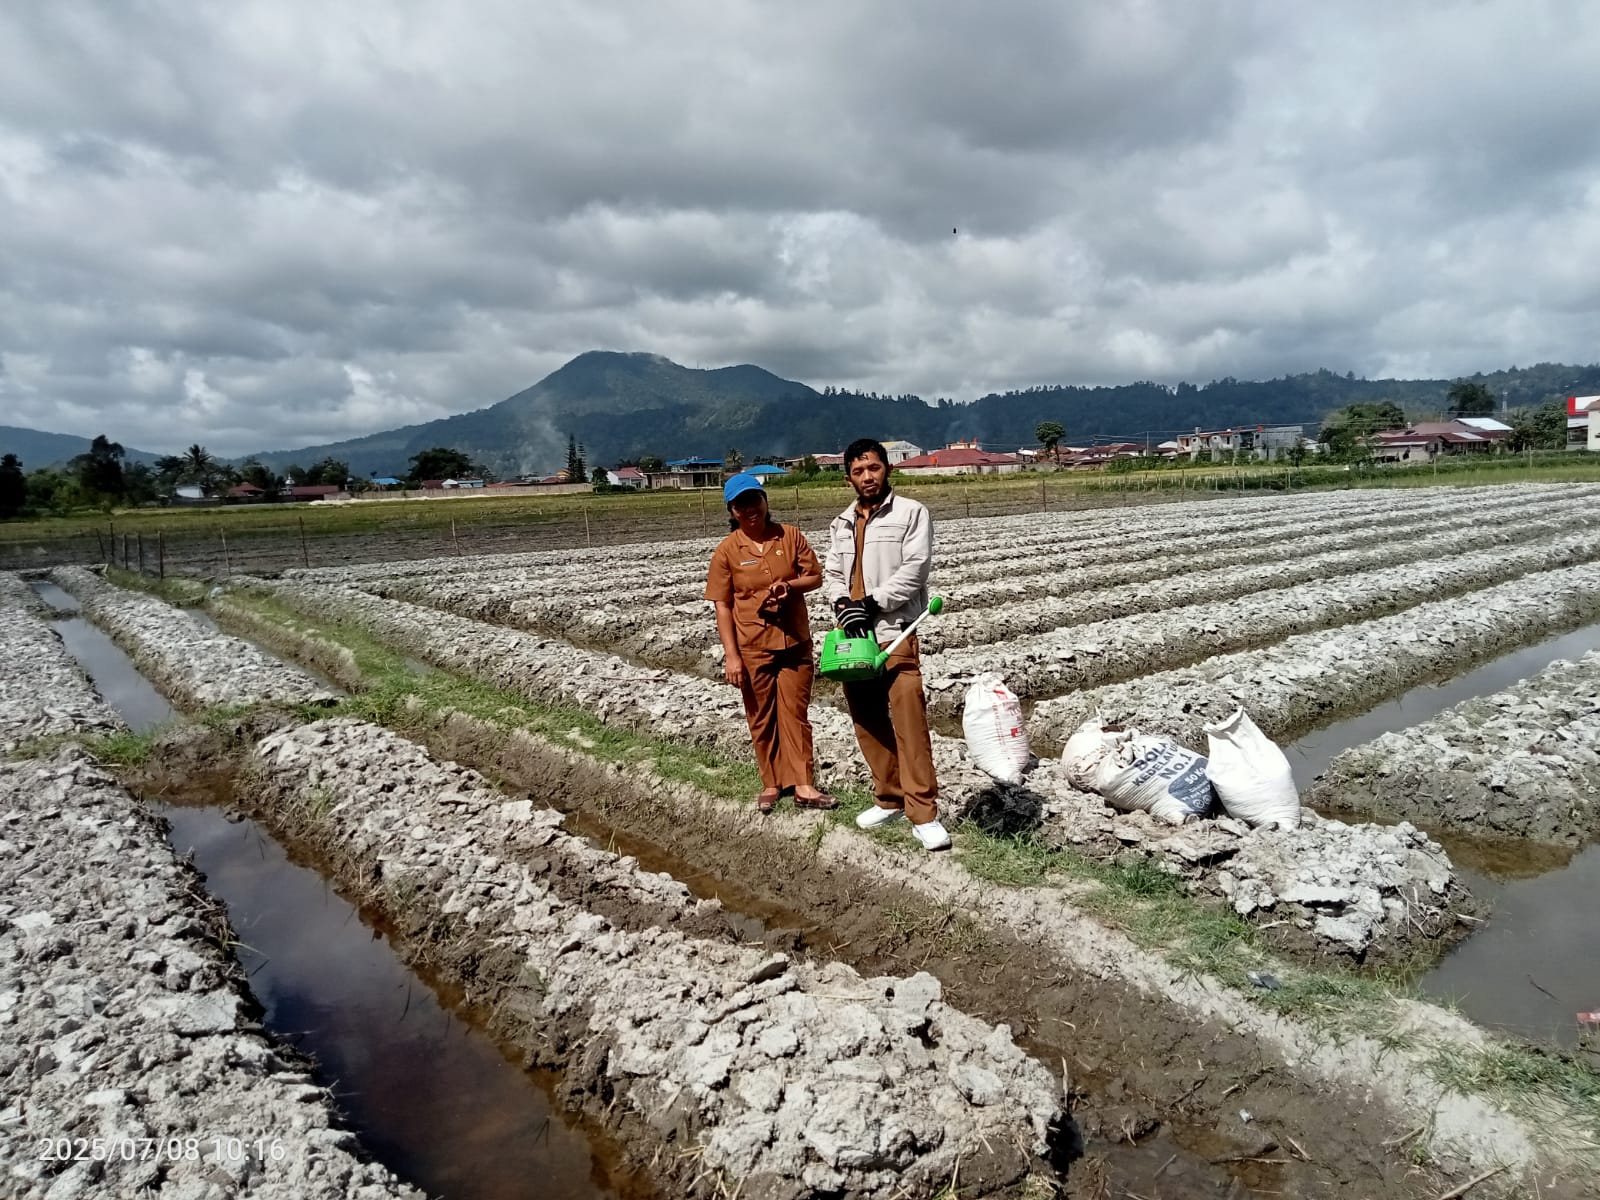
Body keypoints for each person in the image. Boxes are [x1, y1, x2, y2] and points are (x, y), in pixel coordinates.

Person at [822, 438, 950, 850]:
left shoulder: (912, 513)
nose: (867, 477)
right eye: (858, 472)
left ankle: (923, 812)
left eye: (873, 468)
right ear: (849, 479)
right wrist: (843, 604)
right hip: (855, 638)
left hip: (897, 633)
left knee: (909, 721)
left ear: (886, 470)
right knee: (866, 719)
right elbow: (832, 572)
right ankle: (888, 797)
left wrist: (871, 602)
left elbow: (915, 570)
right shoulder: (840, 523)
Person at [705, 473, 837, 814]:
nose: (750, 509)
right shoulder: (727, 551)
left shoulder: (790, 536)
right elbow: (723, 604)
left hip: (794, 641)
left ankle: (804, 785)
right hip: (753, 645)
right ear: (732, 511)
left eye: (755, 500)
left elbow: (816, 577)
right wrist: (731, 656)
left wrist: (790, 586)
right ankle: (772, 783)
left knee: (796, 714)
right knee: (761, 716)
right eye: (741, 504)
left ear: (765, 501)